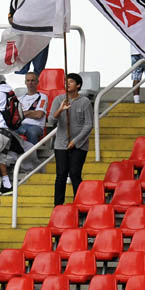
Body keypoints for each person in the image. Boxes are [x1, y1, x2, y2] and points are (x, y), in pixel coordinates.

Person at [48, 73, 93, 206]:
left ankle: (79, 204)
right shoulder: (58, 99)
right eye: (66, 81)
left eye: (71, 81)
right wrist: (60, 109)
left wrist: (75, 141)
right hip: (61, 144)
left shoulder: (84, 102)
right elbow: (51, 121)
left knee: (75, 173)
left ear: (78, 85)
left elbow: (88, 124)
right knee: (61, 174)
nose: (67, 84)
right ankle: (58, 205)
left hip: (79, 145)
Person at [16, 72, 49, 144]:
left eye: (32, 80)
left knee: (31, 132)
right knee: (10, 132)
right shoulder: (20, 99)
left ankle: (33, 151)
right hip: (21, 126)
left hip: (36, 126)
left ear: (37, 82)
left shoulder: (43, 97)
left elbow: (39, 115)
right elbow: (16, 115)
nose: (30, 83)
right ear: (25, 82)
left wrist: (23, 113)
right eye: (28, 80)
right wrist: (31, 112)